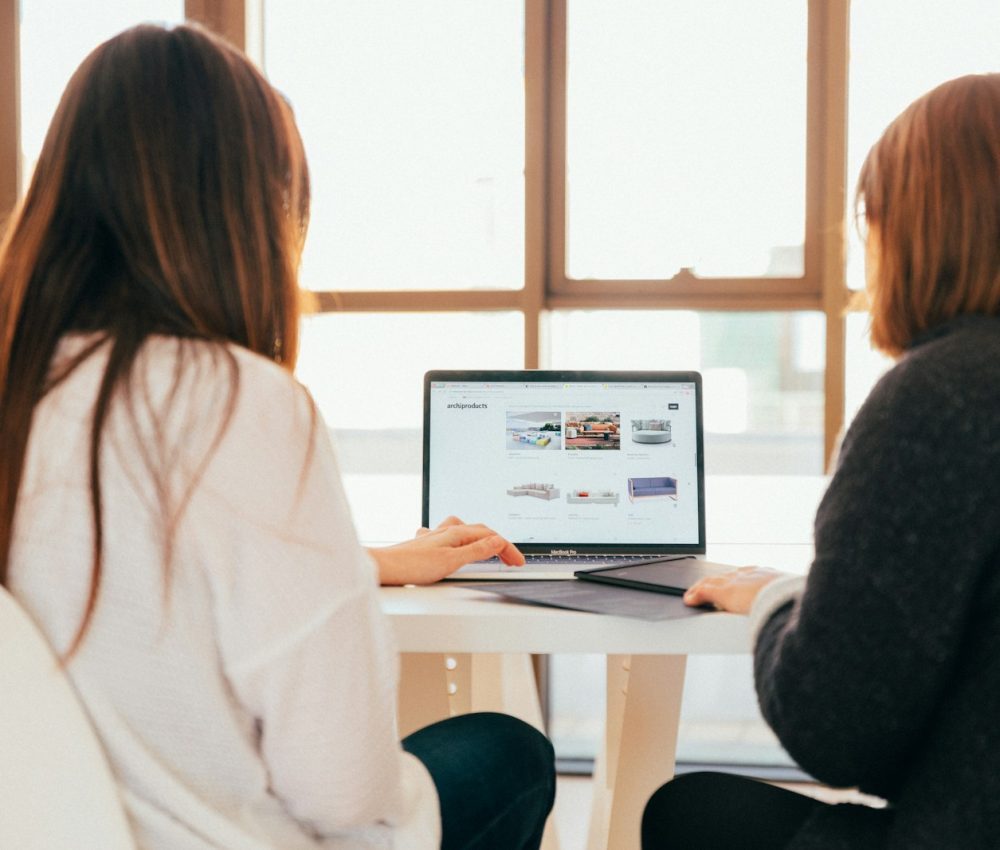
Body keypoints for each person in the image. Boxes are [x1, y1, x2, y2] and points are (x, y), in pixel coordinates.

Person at [0, 23, 554, 850]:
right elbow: (342, 790)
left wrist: (362, 563)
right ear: (248, 209)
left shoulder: (22, 385)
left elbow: (123, 578)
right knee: (509, 752)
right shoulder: (237, 403)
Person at [642, 72, 1000, 849]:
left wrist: (776, 601)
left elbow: (836, 732)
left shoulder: (940, 397)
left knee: (684, 814)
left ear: (912, 229)